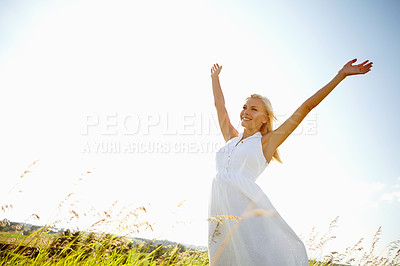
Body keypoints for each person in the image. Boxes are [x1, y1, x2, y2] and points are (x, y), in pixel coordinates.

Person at [208, 59, 373, 265]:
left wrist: (340, 75)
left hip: (246, 210)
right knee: (221, 258)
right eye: (244, 107)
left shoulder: (266, 143)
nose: (246, 111)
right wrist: (215, 78)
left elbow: (306, 107)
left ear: (265, 118)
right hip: (220, 208)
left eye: (253, 109)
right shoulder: (230, 137)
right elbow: (219, 105)